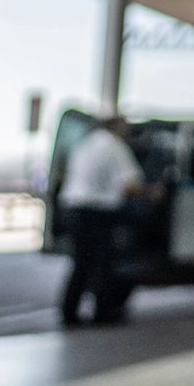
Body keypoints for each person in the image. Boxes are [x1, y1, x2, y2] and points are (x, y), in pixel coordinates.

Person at [57, 115, 143, 327]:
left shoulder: (84, 144)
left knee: (81, 263)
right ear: (117, 127)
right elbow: (129, 185)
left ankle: (69, 312)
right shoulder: (115, 147)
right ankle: (102, 312)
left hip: (73, 208)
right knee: (104, 263)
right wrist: (153, 192)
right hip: (98, 212)